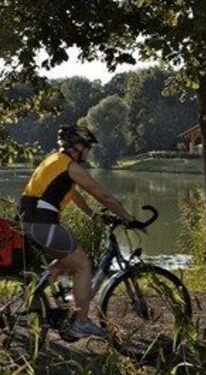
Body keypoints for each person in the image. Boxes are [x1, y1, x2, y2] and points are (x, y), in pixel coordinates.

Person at [18, 124, 135, 339]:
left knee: (67, 262)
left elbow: (73, 194)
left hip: (30, 221)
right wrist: (128, 218)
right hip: (44, 224)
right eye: (87, 146)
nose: (88, 151)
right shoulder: (70, 166)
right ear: (77, 147)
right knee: (82, 264)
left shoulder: (53, 161)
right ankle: (80, 323)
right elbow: (102, 195)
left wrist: (92, 215)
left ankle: (37, 293)